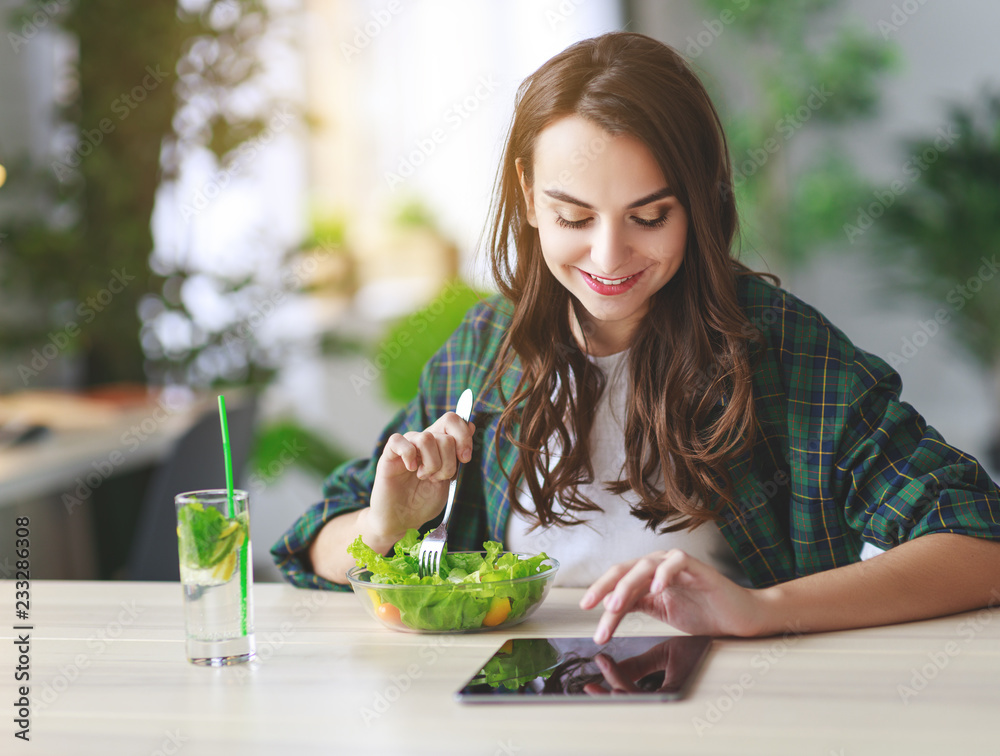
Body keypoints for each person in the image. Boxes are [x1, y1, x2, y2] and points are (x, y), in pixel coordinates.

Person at [273, 32, 1000, 642]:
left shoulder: (776, 347)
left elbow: (979, 543)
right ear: (529, 196)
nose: (610, 257)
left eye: (649, 217)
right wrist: (386, 529)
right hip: (516, 712)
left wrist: (761, 611)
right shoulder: (484, 351)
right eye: (575, 218)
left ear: (700, 198)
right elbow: (317, 541)